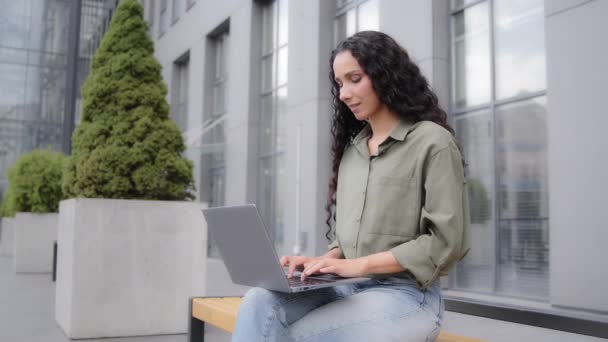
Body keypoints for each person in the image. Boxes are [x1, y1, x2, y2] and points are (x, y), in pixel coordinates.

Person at [232, 30, 470, 342]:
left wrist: (357, 266)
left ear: (385, 76)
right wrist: (323, 261)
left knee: (301, 335)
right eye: (340, 83)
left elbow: (446, 242)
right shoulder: (354, 151)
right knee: (258, 302)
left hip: (409, 295)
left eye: (354, 79)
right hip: (348, 286)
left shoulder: (432, 142)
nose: (344, 93)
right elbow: (349, 242)